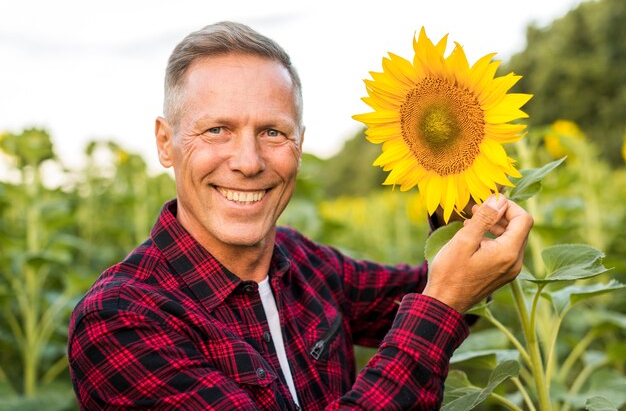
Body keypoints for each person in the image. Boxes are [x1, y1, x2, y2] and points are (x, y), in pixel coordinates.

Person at [67, 21, 533, 410]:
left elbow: (431, 291)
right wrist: (445, 301)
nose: (248, 161)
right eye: (217, 130)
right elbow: (441, 302)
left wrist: (455, 184)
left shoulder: (301, 263)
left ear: (300, 144)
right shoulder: (120, 321)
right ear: (166, 143)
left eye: (272, 132)